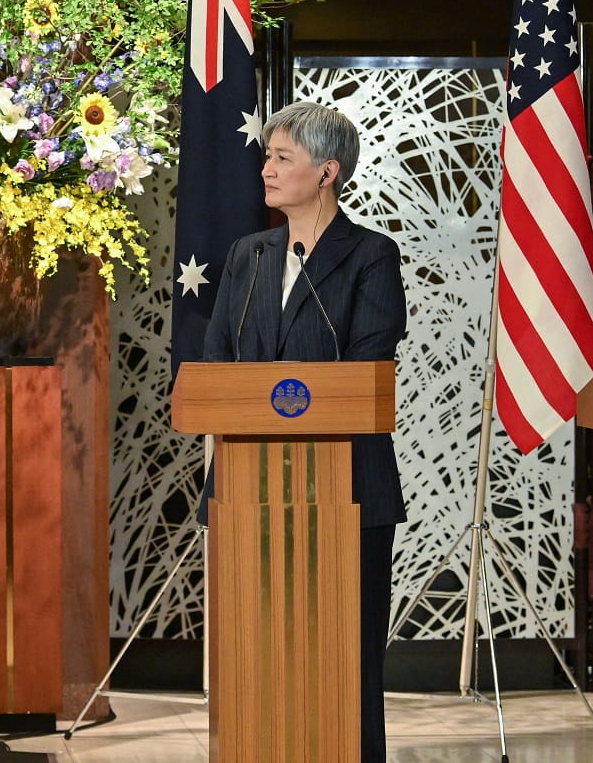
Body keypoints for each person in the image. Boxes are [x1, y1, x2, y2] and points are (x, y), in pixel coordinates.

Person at [200, 101, 407, 762]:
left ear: (327, 172)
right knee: (258, 657)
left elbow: (368, 368)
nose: (265, 168)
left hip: (347, 492)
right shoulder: (247, 255)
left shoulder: (372, 255)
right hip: (250, 492)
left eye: (282, 158)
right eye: (267, 156)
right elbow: (214, 368)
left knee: (344, 662)